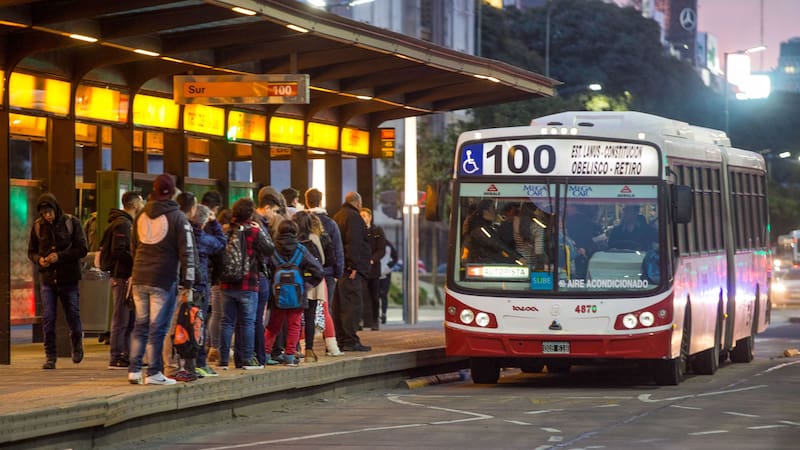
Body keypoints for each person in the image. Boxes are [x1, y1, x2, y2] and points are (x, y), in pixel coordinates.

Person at [128, 173, 196, 386]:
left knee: (140, 325)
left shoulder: (140, 215)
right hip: (163, 278)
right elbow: (188, 252)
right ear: (173, 192)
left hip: (139, 276)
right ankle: (154, 371)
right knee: (158, 327)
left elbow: (133, 246)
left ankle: (134, 369)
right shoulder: (178, 217)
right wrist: (188, 281)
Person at [27, 193, 88, 370]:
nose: (48, 216)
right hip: (47, 278)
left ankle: (77, 345)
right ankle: (50, 356)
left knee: (73, 315)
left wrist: (59, 257)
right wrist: (39, 259)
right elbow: (31, 251)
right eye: (44, 213)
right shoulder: (38, 227)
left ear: (55, 209)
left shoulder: (71, 222)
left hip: (68, 278)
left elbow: (82, 249)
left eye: (50, 212)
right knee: (48, 318)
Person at [219, 197, 274, 370]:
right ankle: (248, 359)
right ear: (250, 213)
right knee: (248, 322)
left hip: (226, 284)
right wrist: (261, 230)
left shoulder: (226, 230)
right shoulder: (254, 231)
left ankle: (223, 360)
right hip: (248, 283)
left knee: (227, 322)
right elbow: (269, 249)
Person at [264, 220, 323, 366]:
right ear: (295, 232)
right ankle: (290, 356)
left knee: (273, 326)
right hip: (297, 293)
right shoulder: (301, 250)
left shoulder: (272, 249)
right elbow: (318, 271)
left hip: (277, 294)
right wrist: (307, 285)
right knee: (294, 325)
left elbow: (264, 268)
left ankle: (264, 353)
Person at [105, 191, 144, 369]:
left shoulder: (127, 223)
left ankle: (126, 354)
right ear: (135, 204)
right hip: (121, 275)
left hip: (125, 276)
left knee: (128, 316)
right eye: (141, 202)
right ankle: (117, 355)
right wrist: (137, 259)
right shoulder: (123, 224)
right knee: (121, 316)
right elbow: (119, 251)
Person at [332, 192, 372, 352]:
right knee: (352, 306)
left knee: (340, 306)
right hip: (350, 271)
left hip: (341, 269)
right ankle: (350, 340)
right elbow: (353, 242)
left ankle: (341, 339)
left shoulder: (338, 216)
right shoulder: (354, 217)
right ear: (357, 202)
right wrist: (353, 266)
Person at [190, 203, 225, 377]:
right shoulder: (202, 238)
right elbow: (221, 243)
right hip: (200, 284)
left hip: (181, 284)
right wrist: (215, 223)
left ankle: (181, 363)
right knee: (199, 324)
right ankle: (199, 363)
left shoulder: (182, 234)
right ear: (204, 222)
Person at [255, 186, 285, 365]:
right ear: (267, 208)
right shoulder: (262, 225)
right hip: (263, 276)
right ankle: (262, 353)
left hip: (260, 276)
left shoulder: (257, 223)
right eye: (273, 211)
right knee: (259, 317)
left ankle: (261, 352)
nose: (274, 215)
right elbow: (268, 251)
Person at [304, 188, 344, 317]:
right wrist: (338, 272)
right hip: (327, 272)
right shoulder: (330, 223)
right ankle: (327, 335)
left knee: (307, 308)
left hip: (306, 271)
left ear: (306, 201)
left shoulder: (301, 221)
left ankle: (307, 335)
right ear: (321, 201)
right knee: (325, 307)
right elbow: (338, 249)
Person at [461, 199, 518, 264]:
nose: (495, 212)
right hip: (479, 263)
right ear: (485, 211)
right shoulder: (481, 228)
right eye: (493, 209)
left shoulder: (484, 226)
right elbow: (496, 243)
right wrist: (517, 257)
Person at [359, 207, 386, 330]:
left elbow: (381, 250)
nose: (363, 218)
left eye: (365, 215)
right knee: (360, 296)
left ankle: (375, 321)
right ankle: (360, 321)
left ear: (369, 217)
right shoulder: (357, 231)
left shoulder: (377, 231)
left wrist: (372, 259)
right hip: (361, 268)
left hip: (373, 270)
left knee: (374, 296)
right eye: (361, 215)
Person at [378, 240, 398, 324]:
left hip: (386, 273)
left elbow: (395, 258)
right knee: (376, 296)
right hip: (376, 273)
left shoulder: (388, 245)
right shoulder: (374, 243)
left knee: (383, 295)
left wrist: (388, 267)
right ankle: (376, 314)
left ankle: (383, 313)